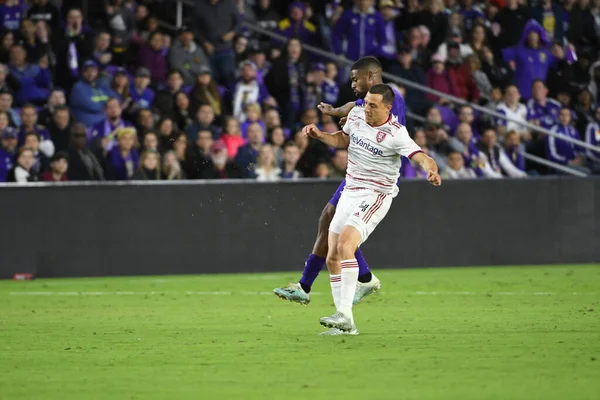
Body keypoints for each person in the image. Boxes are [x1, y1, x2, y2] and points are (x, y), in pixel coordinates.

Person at [304, 84, 441, 334]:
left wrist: (431, 170)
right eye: (366, 103)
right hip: (350, 190)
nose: (366, 108)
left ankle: (344, 314)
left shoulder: (396, 133)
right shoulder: (356, 115)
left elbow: (421, 156)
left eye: (373, 105)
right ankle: (347, 325)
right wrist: (321, 136)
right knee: (332, 255)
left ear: (388, 108)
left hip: (376, 194)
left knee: (346, 245)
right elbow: (343, 138)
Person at [273, 57, 407, 312]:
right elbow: (353, 106)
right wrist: (337, 113)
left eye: (356, 78)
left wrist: (355, 123)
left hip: (374, 179)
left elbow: (385, 130)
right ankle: (314, 285)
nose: (352, 83)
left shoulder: (391, 99)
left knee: (340, 231)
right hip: (357, 174)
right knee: (327, 220)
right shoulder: (366, 102)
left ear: (370, 77)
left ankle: (355, 282)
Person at [193, 0, 239, 85]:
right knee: (212, 81)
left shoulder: (229, 4)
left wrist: (232, 33)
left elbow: (239, 22)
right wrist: (205, 42)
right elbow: (195, 28)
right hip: (207, 52)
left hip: (226, 50)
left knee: (229, 80)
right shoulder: (199, 6)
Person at [70, 60, 117, 127]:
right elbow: (93, 106)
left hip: (106, 125)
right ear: (82, 73)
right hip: (88, 127)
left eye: (93, 70)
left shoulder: (100, 85)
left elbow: (116, 100)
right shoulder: (78, 87)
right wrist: (109, 107)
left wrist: (111, 106)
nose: (90, 73)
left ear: (97, 72)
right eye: (87, 71)